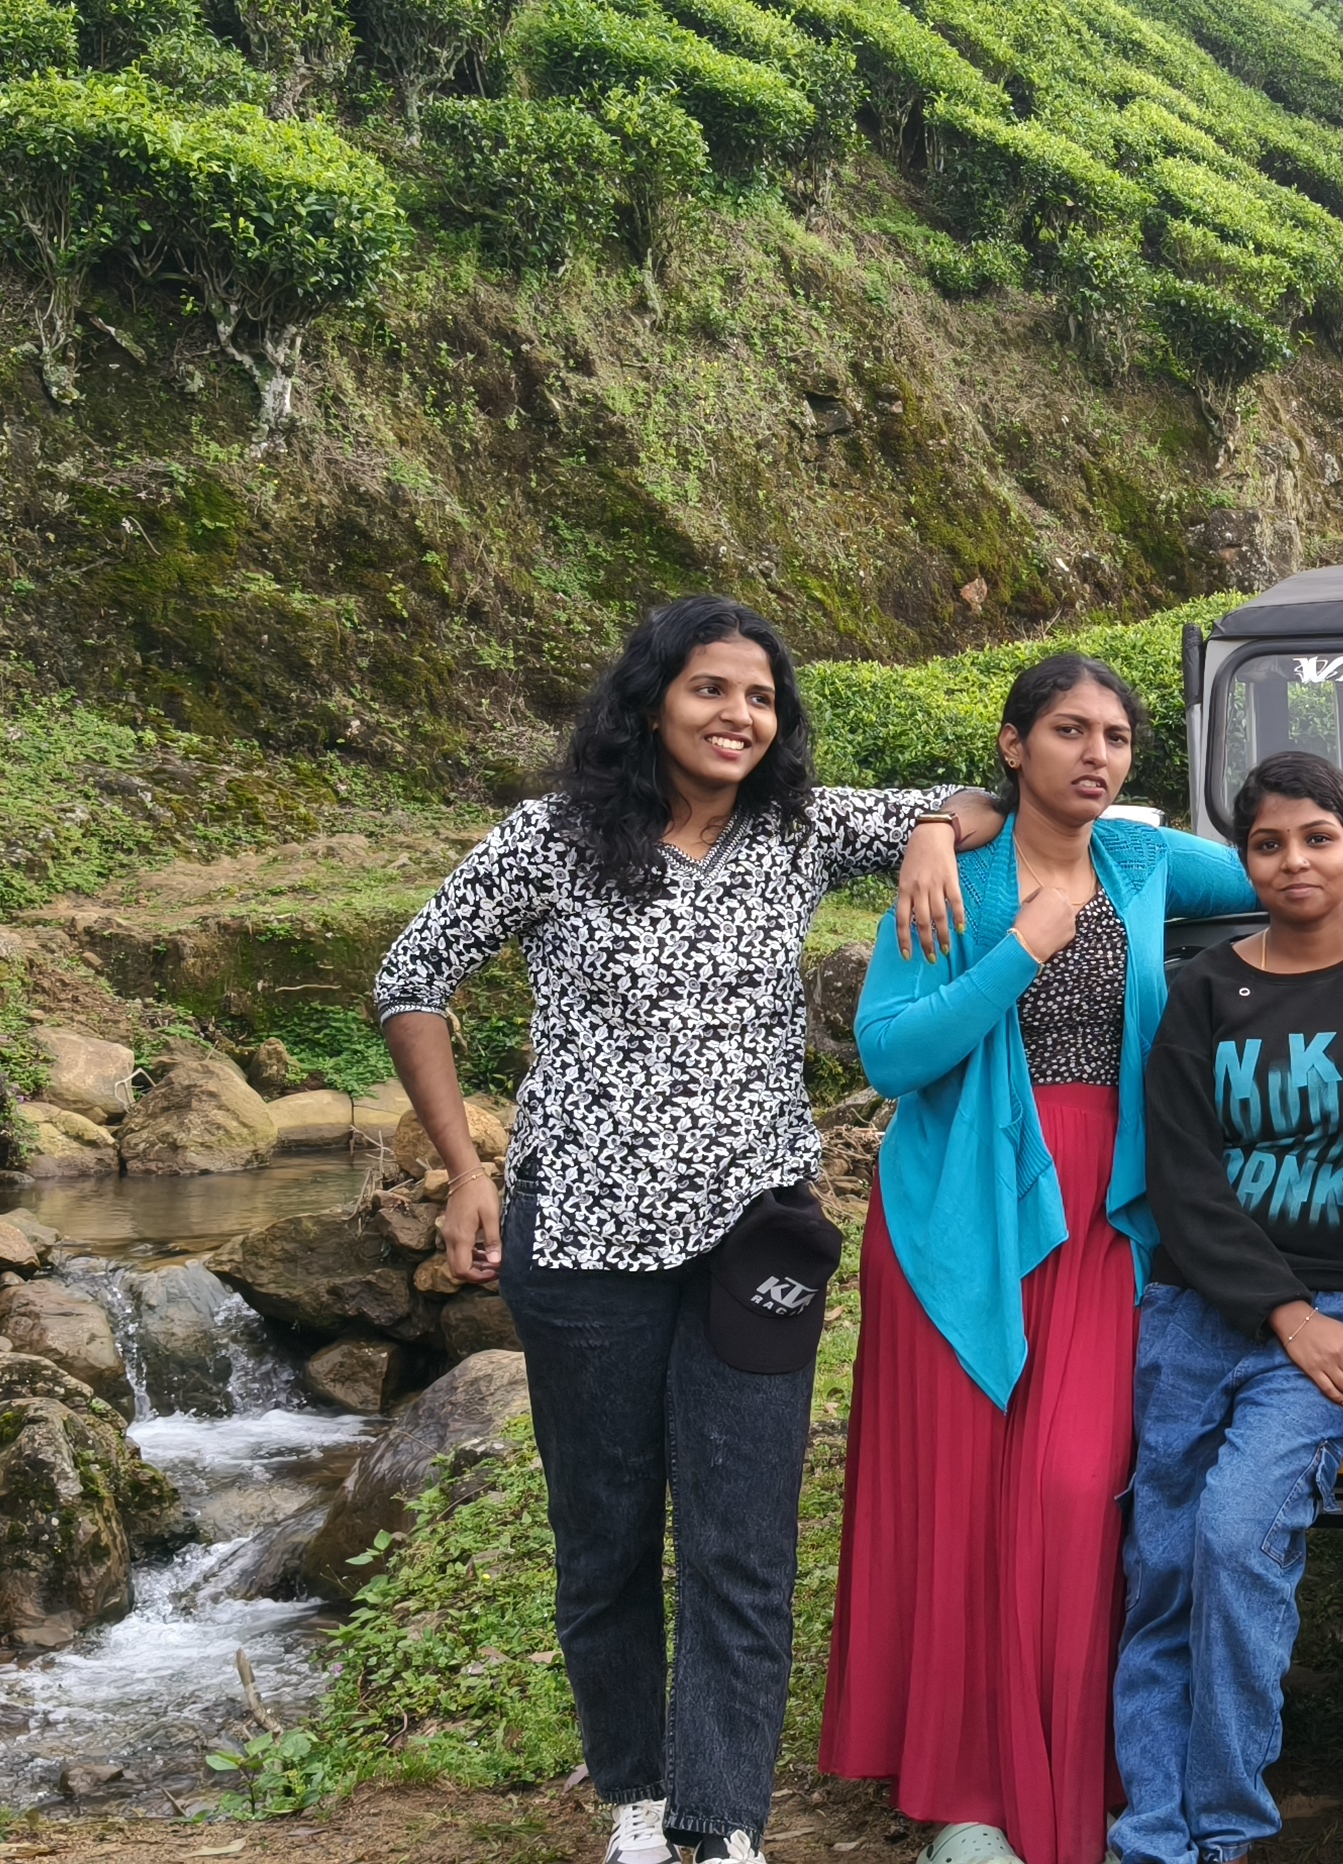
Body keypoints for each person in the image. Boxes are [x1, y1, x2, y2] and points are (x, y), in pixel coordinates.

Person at [370, 595, 997, 1864]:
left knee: (742, 1539)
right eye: (713, 690)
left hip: (751, 1241)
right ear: (651, 700)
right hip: (581, 1239)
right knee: (604, 1534)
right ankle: (639, 1804)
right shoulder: (551, 840)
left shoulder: (798, 831)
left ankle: (722, 1822)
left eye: (761, 698)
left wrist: (928, 830)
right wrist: (463, 1167)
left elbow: (982, 800)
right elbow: (412, 979)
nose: (739, 716)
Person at [834, 656, 1343, 1864]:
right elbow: (889, 1055)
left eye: (1113, 736)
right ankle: (968, 1793)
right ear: (1012, 743)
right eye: (1066, 730)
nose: (1094, 754)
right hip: (960, 1206)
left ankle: (1089, 1765)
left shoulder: (1143, 863)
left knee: (1079, 1490)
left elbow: (1292, 871)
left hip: (1115, 1210)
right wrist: (1000, 914)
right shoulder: (956, 876)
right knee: (962, 1501)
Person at [1111, 751, 1343, 1864]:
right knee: (1162, 1568)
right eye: (1267, 842)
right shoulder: (1208, 988)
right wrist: (1275, 1308)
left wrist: (1312, 1320)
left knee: (1236, 1535)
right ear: (1242, 858)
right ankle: (1158, 1827)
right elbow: (1183, 1170)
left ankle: (1231, 1819)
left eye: (1317, 837)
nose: (1293, 859)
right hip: (1199, 1311)